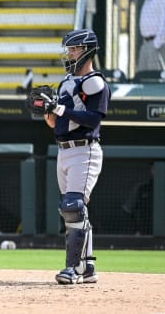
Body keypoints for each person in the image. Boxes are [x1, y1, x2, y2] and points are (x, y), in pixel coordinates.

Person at [37, 29, 110, 284]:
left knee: (73, 206)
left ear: (87, 50)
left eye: (74, 49)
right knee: (72, 211)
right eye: (69, 49)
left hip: (84, 149)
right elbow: (55, 122)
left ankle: (72, 269)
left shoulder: (95, 82)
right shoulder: (66, 81)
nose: (69, 53)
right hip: (64, 150)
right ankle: (87, 268)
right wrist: (47, 110)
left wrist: (60, 108)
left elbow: (93, 119)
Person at [122, 163, 165, 237]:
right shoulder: (141, 189)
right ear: (151, 170)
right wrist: (135, 231)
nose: (155, 170)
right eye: (153, 168)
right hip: (145, 238)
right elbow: (126, 211)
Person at [137, 0, 165, 74]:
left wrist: (156, 44)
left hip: (158, 42)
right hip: (147, 42)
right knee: (142, 78)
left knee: (155, 78)